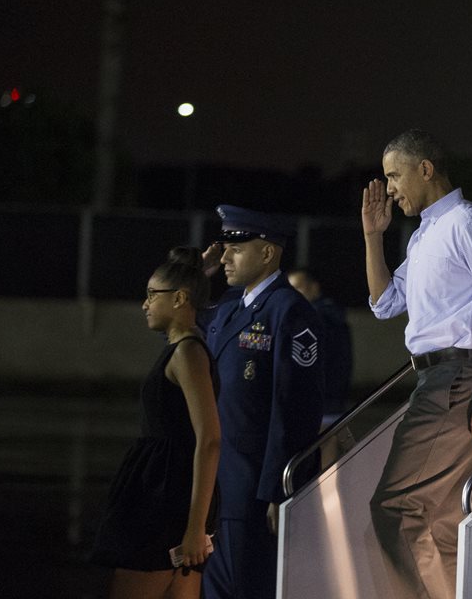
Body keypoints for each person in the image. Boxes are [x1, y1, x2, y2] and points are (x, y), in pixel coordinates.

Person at [361, 129, 472, 599]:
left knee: (397, 509)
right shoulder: (426, 233)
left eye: (394, 175)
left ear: (425, 169)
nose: (389, 187)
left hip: (457, 379)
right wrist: (374, 237)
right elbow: (385, 302)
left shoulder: (469, 223)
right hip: (438, 377)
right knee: (438, 524)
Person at [200, 205, 324, 599]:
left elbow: (295, 409)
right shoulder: (228, 307)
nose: (224, 258)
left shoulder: (289, 312)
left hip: (250, 488)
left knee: (242, 587)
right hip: (215, 484)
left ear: (268, 253)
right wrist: (194, 277)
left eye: (236, 248)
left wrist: (278, 490)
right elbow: (176, 332)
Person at [91, 246, 221, 599]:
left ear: (179, 298)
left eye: (152, 295)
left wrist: (195, 528)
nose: (145, 304)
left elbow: (209, 438)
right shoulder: (181, 346)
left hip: (165, 499)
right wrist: (200, 270)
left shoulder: (188, 352)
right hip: (164, 491)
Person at [288, 267, 353, 426]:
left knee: (325, 444)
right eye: (290, 289)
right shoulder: (330, 314)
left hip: (323, 398)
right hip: (328, 397)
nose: (293, 294)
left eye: (298, 287)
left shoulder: (317, 318)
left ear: (314, 287)